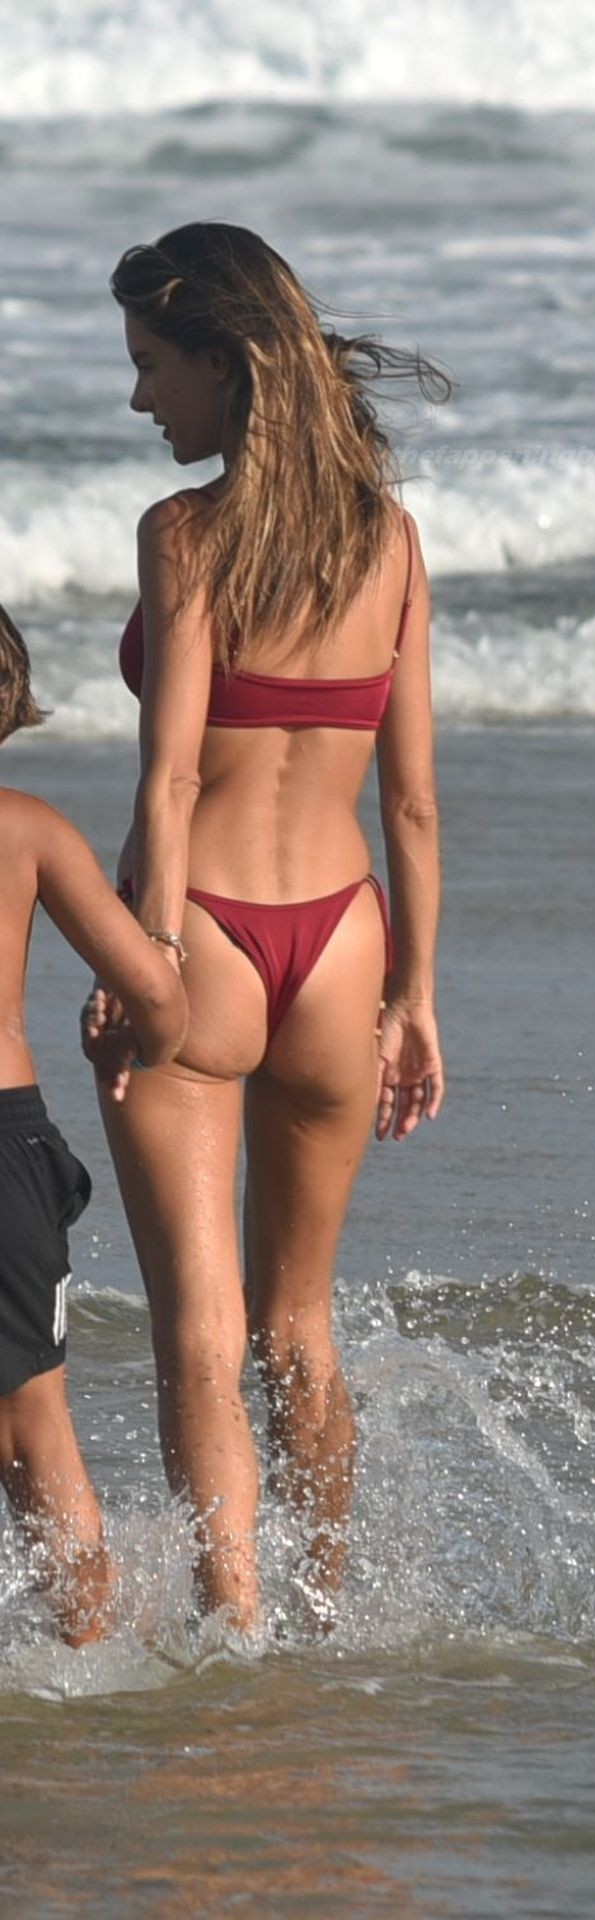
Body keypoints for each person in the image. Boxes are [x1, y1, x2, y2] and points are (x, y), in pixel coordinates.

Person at [86, 222, 447, 1632]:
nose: (140, 398)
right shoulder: (387, 540)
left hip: (207, 942)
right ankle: (323, 1615)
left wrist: (152, 959)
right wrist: (415, 994)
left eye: (151, 365)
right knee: (299, 1327)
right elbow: (412, 801)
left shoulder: (185, 534)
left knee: (201, 1328)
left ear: (225, 363)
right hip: (346, 944)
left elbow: (171, 779)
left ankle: (233, 1630)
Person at [0, 602, 187, 1645]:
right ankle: (84, 1663)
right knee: (33, 1429)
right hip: (3, 1144)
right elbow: (155, 991)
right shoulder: (29, 829)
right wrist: (141, 1046)